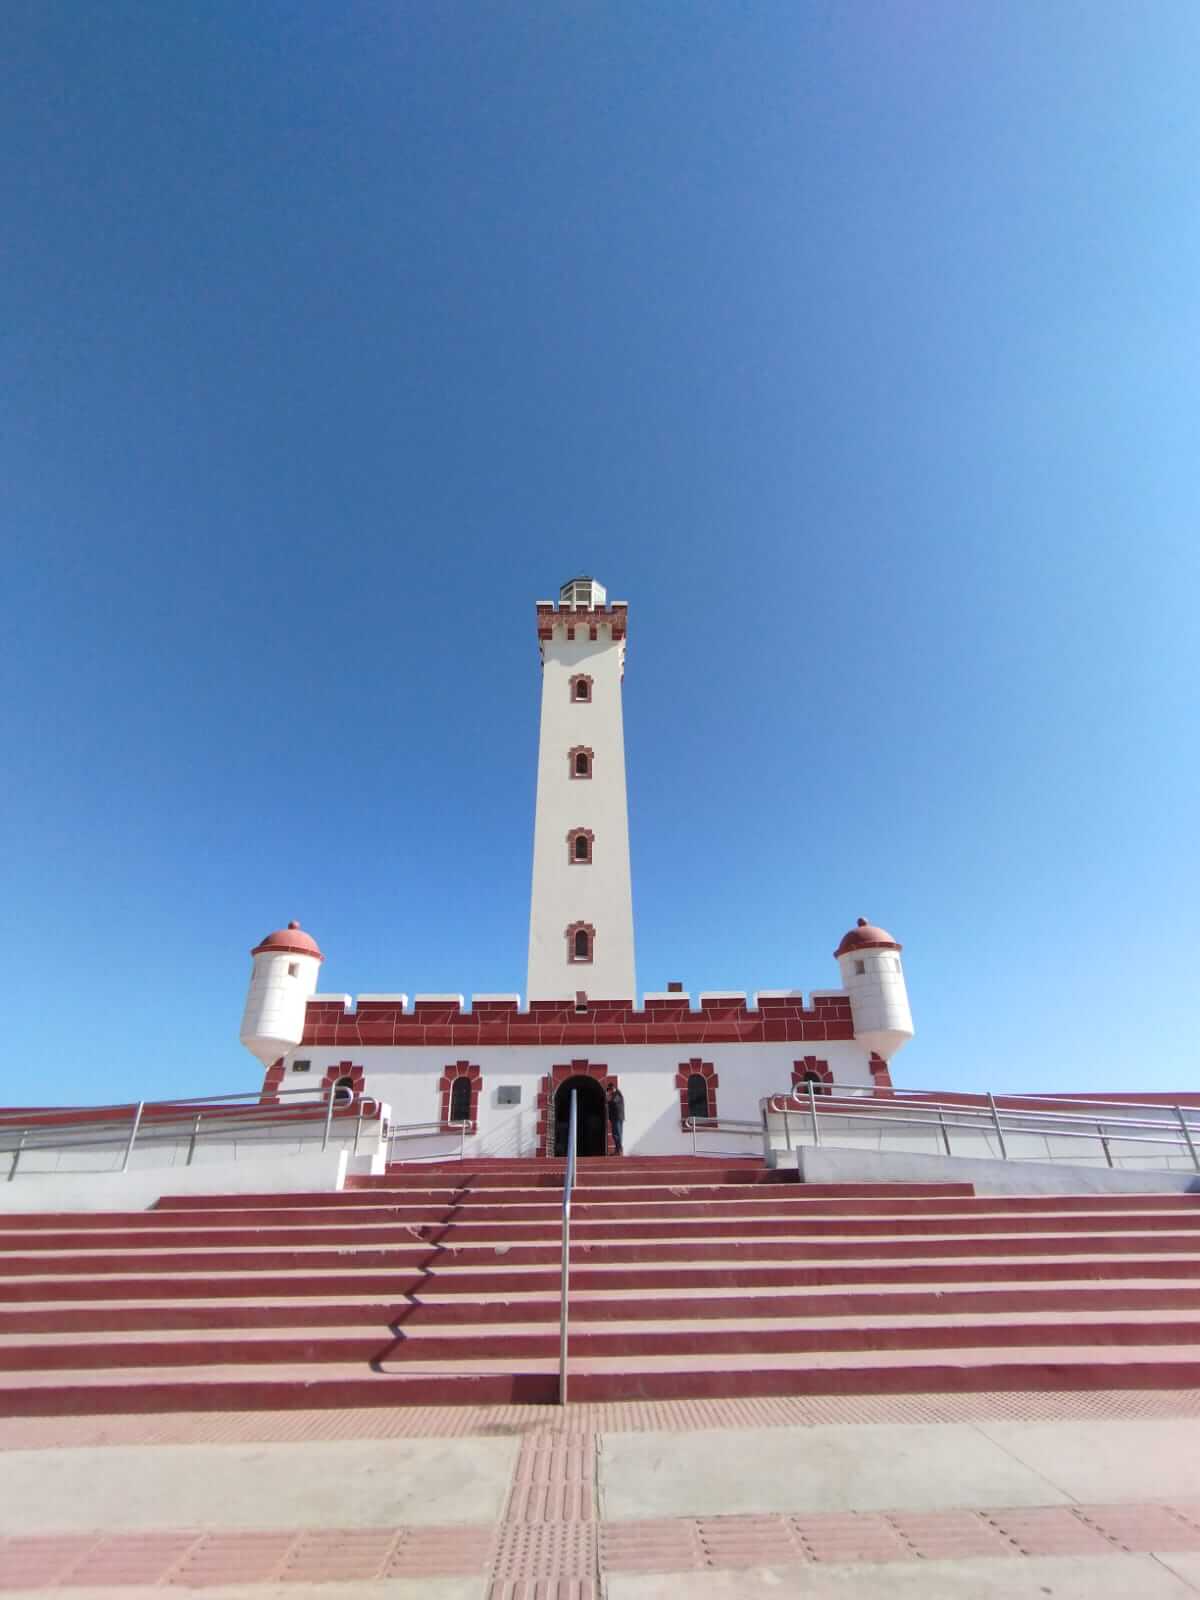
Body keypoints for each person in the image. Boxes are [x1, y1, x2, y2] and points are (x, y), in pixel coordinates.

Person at [606, 1082, 626, 1155]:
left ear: (613, 1088)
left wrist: (608, 1099)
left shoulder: (617, 1094)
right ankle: (617, 1150)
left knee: (617, 1134)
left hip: (617, 1117)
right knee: (616, 1134)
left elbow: (613, 1102)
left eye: (610, 1090)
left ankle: (619, 1150)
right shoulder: (615, 1094)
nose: (609, 1091)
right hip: (615, 1117)